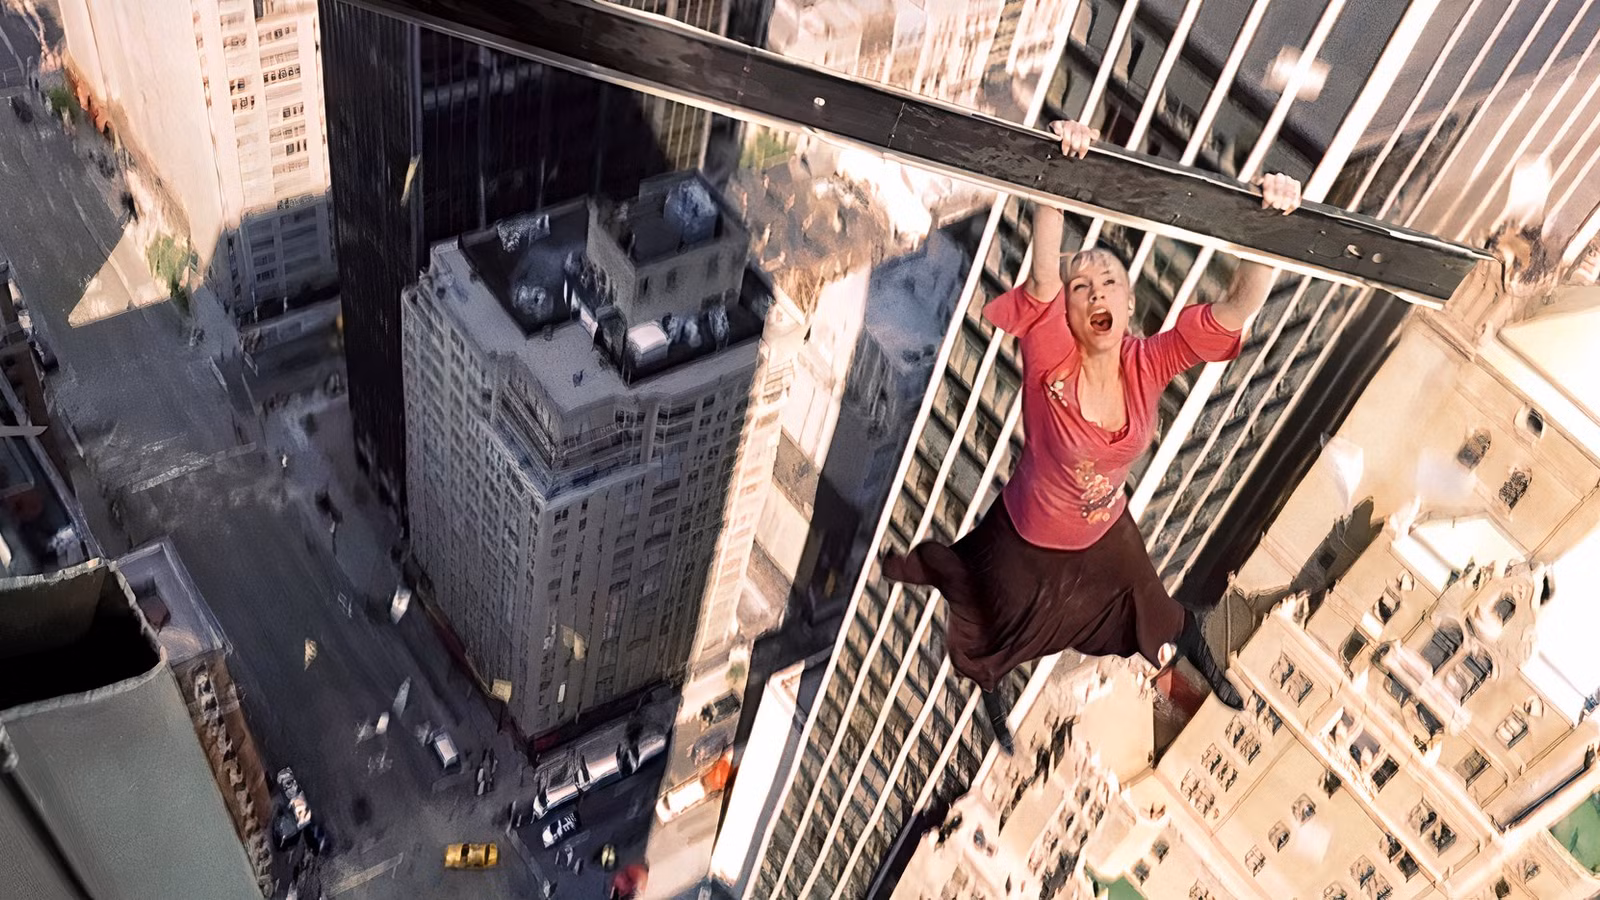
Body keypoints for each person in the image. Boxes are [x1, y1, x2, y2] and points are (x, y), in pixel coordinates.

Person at [881, 119, 1304, 752]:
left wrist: (1270, 230)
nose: (1097, 293)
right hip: (1027, 534)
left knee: (1156, 614)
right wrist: (1061, 165)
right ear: (1069, 314)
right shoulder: (1051, 356)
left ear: (1130, 306)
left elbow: (1237, 307)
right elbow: (1044, 274)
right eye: (1083, 288)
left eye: (1111, 284)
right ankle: (989, 681)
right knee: (987, 622)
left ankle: (1193, 648)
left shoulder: (1147, 362)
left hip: (1107, 531)